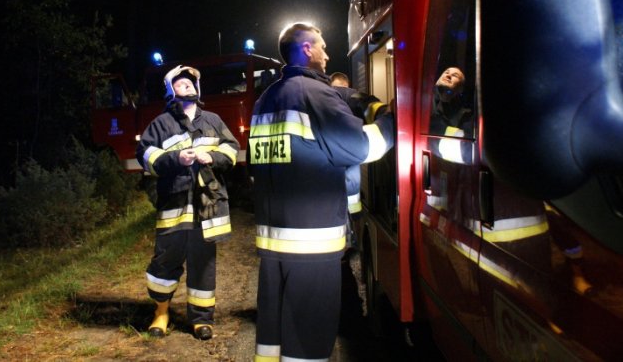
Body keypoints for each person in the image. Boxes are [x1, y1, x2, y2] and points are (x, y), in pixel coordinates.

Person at [248, 22, 394, 361]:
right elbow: (360, 147)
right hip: (311, 242)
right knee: (308, 336)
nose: (327, 55)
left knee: (275, 331)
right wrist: (391, 122)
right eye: (323, 47)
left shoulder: (265, 99)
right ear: (307, 49)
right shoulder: (314, 94)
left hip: (273, 240)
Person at [136, 65, 240, 340]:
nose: (187, 86)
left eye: (190, 83)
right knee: (165, 260)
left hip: (207, 206)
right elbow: (145, 155)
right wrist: (176, 159)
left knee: (203, 263)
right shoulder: (160, 124)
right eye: (181, 84)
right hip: (174, 204)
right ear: (170, 91)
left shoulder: (214, 120)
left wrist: (212, 157)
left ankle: (201, 319)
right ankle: (161, 312)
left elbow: (232, 149)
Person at [430, 66, 473, 137]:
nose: (448, 75)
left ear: (460, 89)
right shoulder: (422, 99)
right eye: (446, 72)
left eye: (455, 75)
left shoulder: (464, 116)